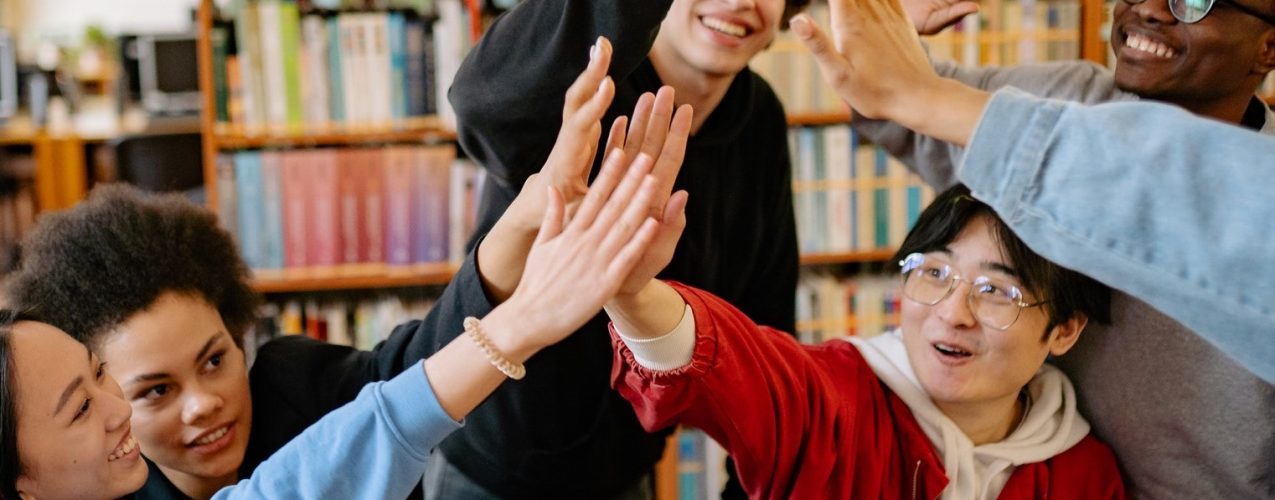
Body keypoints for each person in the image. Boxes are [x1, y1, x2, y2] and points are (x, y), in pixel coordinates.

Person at [2, 42, 691, 499]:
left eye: (215, 360)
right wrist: (524, 321)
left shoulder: (290, 383)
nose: (202, 402)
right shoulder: (111, 484)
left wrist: (528, 215)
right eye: (151, 391)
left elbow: (423, 365)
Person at [791, 0, 1275, 495]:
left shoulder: (1264, 202)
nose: (1150, 9)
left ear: (1270, 47)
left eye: (1194, 1)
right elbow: (895, 101)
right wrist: (890, 38)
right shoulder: (1063, 97)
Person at [436, 0, 814, 496]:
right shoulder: (584, 80)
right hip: (493, 461)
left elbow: (767, 325)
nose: (739, 2)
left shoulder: (759, 116)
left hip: (627, 471)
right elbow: (479, 103)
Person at [601, 183, 1124, 499]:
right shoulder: (833, 398)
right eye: (934, 272)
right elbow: (729, 359)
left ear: (1064, 329)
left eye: (995, 290)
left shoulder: (1085, 474)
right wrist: (631, 292)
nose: (951, 312)